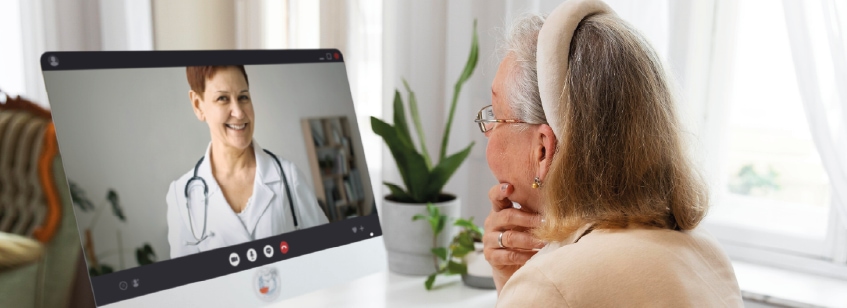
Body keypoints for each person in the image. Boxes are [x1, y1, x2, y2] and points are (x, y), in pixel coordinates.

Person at [478, 0, 743, 306]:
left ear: (542, 150)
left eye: (495, 117)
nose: (487, 131)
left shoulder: (552, 285)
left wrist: (525, 287)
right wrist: (513, 280)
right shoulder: (708, 257)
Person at [166, 65, 328, 258]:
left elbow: (328, 255)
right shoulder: (181, 196)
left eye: (243, 97)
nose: (239, 113)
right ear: (198, 105)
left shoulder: (288, 177)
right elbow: (186, 283)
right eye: (223, 98)